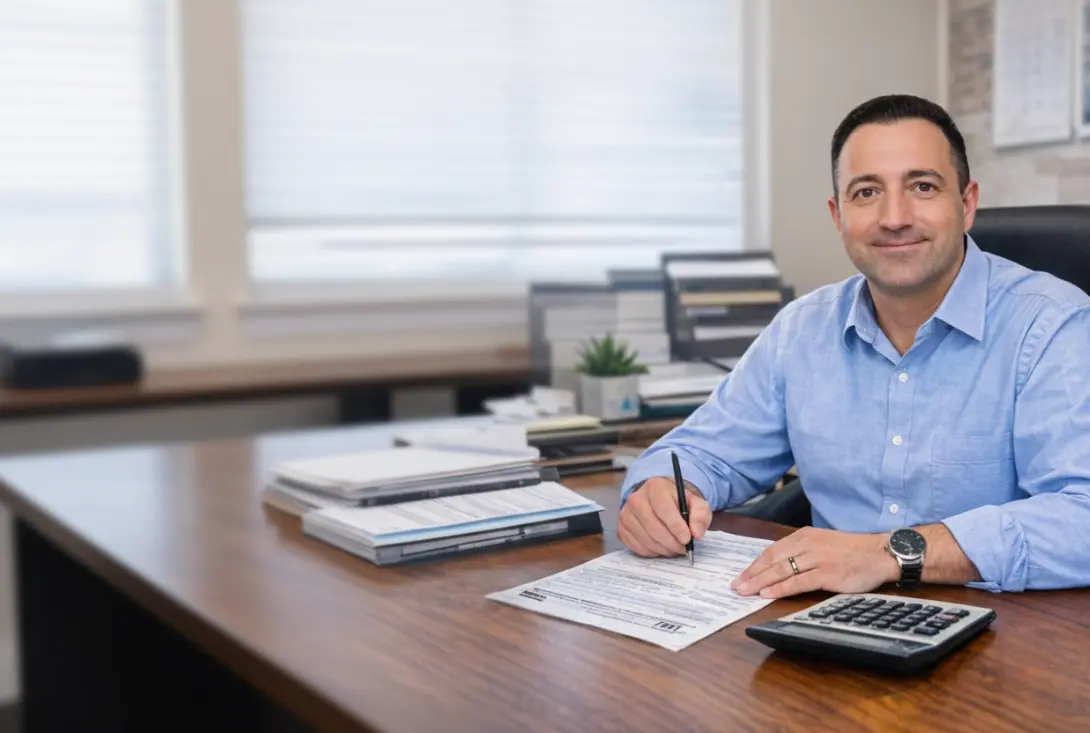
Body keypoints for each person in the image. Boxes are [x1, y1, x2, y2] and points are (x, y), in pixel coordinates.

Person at [618, 93, 1090, 598]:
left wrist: (887, 554)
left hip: (1007, 639)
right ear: (838, 214)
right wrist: (663, 494)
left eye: (923, 187)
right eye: (866, 193)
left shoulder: (1053, 326)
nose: (893, 217)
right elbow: (703, 452)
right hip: (826, 627)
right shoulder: (802, 331)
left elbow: (1081, 517)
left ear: (967, 203)